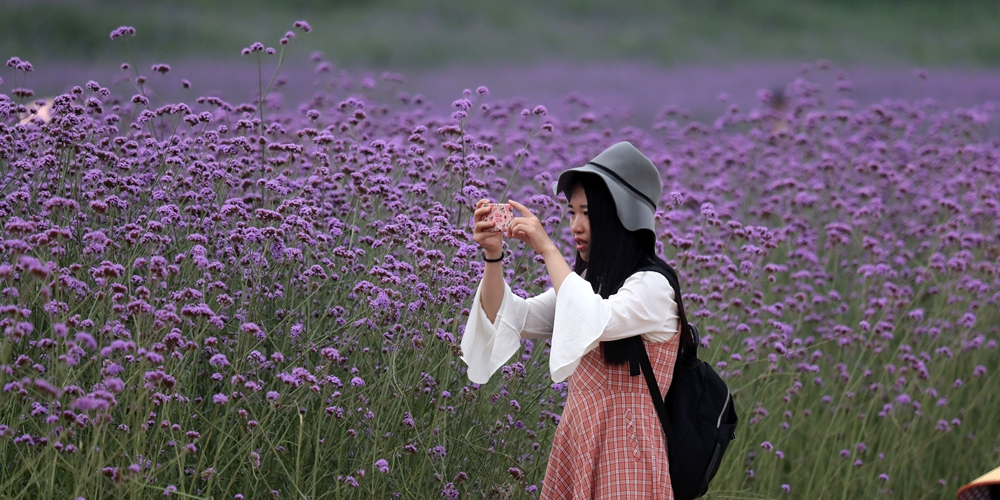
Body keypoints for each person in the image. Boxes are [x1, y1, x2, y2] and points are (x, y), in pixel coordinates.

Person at [461, 142, 683, 499]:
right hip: (580, 441)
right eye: (571, 212)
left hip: (629, 449)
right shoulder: (588, 284)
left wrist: (547, 249)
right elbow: (512, 316)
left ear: (621, 216)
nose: (576, 226)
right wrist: (493, 256)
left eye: (588, 213)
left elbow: (595, 319)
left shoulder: (653, 286)